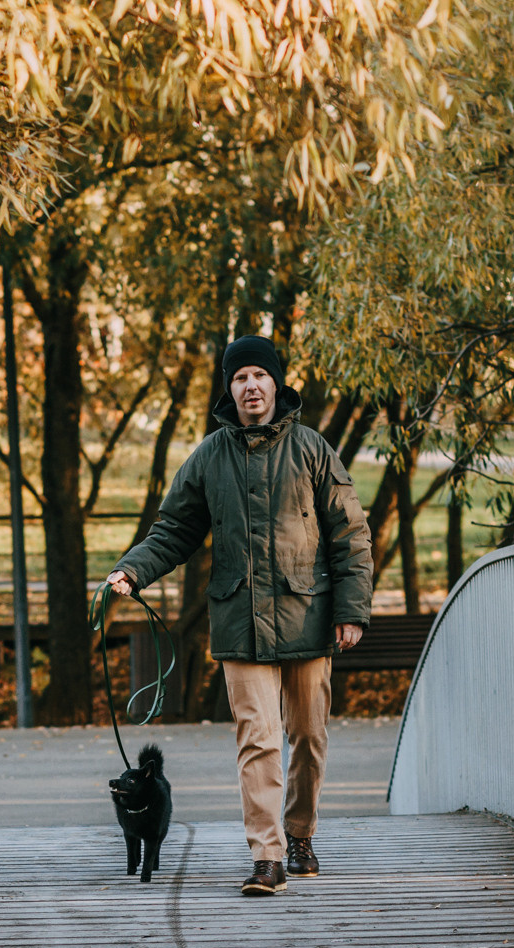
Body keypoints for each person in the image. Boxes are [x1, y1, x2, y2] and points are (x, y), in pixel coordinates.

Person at [106, 335, 372, 896]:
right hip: (239, 621)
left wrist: (351, 611)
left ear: (276, 383)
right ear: (229, 388)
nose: (250, 386)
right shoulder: (210, 456)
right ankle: (267, 855)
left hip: (309, 617)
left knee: (309, 736)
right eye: (239, 377)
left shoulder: (312, 449)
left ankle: (299, 834)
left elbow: (350, 535)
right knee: (259, 738)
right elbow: (174, 529)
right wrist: (131, 571)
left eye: (259, 376)